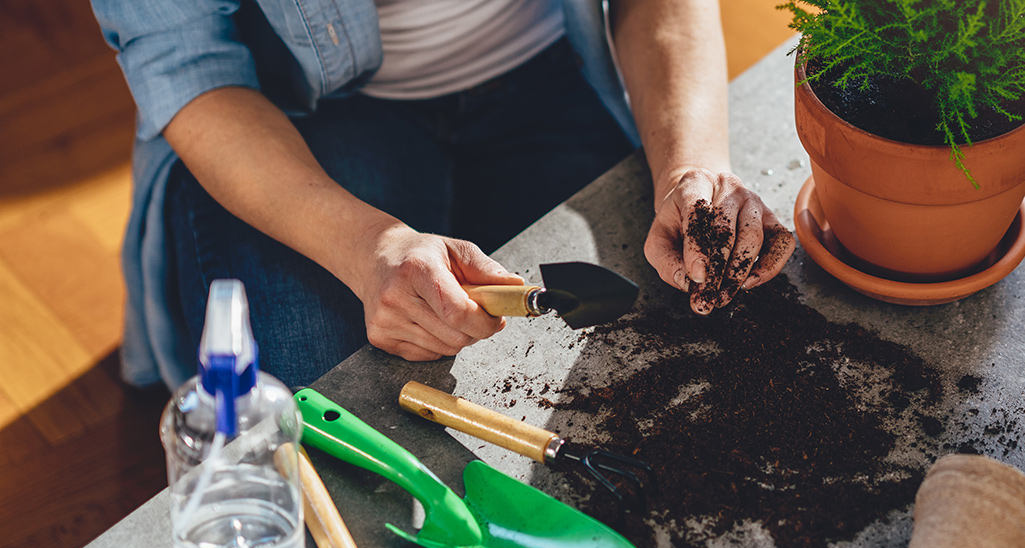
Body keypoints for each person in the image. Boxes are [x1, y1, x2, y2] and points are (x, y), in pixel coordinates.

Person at [90, 0, 795, 391]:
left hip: (553, 72)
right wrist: (373, 249)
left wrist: (689, 169)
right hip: (305, 121)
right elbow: (192, 73)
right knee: (328, 424)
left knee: (681, 359)